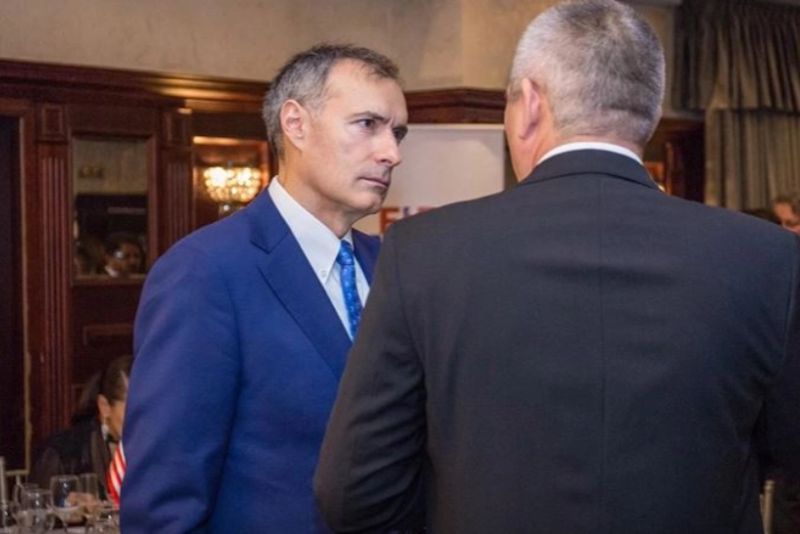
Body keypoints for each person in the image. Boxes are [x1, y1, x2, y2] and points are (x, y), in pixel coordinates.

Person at [314, 1, 800, 533]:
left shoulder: (423, 252)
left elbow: (354, 493)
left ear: (529, 104)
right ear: (649, 113)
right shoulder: (768, 258)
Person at [120, 44, 407, 533]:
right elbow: (163, 504)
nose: (391, 153)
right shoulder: (205, 273)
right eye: (367, 124)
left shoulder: (391, 266)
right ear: (295, 124)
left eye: (397, 133)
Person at [29, 355, 132, 499]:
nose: (145, 421)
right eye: (134, 411)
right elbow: (37, 506)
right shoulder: (61, 455)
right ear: (105, 407)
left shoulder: (156, 449)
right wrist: (67, 505)